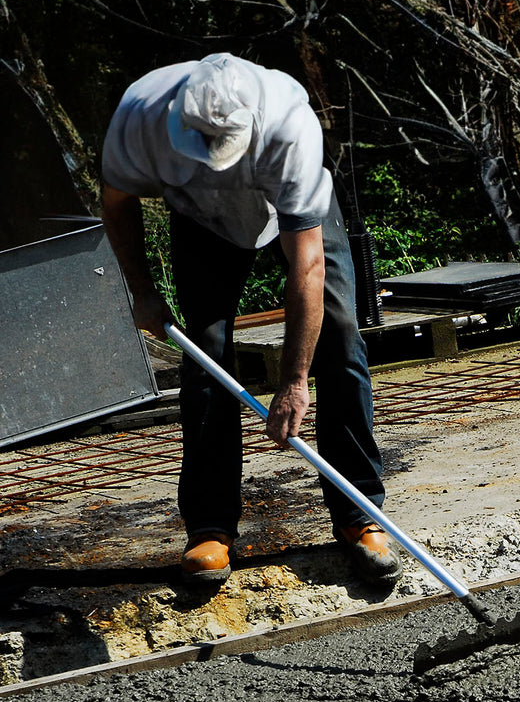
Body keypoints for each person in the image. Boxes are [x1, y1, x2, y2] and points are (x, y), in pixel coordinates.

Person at [101, 52, 401, 585]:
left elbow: (306, 264)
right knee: (207, 354)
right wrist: (141, 292)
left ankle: (361, 516)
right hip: (200, 217)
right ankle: (210, 528)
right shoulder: (141, 113)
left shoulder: (291, 128)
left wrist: (293, 381)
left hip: (290, 207)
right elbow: (117, 203)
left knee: (339, 334)